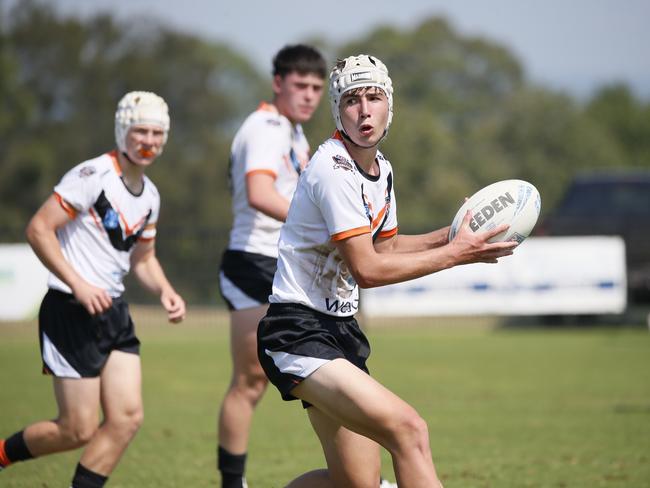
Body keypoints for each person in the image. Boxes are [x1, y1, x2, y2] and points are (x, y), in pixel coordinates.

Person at [256, 54, 519, 488]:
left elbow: (388, 247)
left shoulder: (383, 171)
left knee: (356, 483)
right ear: (338, 110)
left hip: (339, 330)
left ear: (389, 106)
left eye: (374, 97)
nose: (364, 110)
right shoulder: (333, 168)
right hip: (298, 331)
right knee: (409, 430)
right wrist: (457, 255)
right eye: (352, 99)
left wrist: (454, 235)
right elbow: (369, 270)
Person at [0, 91, 186, 488]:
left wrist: (166, 291)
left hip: (113, 311)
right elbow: (38, 229)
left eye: (156, 133)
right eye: (140, 131)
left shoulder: (150, 195)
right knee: (76, 429)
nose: (148, 141)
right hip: (70, 310)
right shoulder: (91, 176)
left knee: (127, 418)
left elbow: (144, 259)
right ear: (123, 131)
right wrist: (79, 285)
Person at [216, 44, 326, 488]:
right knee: (250, 380)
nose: (309, 95)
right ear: (277, 83)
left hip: (280, 263)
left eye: (317, 88)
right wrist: (323, 231)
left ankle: (354, 474)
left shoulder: (295, 134)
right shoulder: (265, 127)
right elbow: (261, 194)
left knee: (316, 369)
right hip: (253, 261)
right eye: (300, 85)